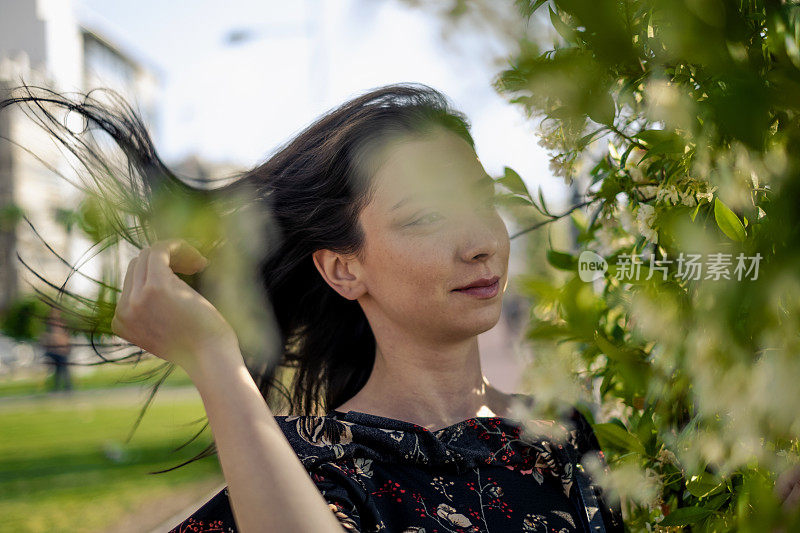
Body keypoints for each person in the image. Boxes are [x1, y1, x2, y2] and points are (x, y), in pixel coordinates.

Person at [1, 83, 624, 532]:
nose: (481, 243)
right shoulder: (305, 478)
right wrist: (216, 363)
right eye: (426, 217)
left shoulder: (563, 434)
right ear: (343, 268)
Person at [40, 307, 73, 392]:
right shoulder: (49, 326)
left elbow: (66, 337)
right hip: (53, 352)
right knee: (58, 370)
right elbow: (46, 339)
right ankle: (57, 387)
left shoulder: (61, 324)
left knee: (64, 369)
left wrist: (66, 347)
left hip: (62, 352)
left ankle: (67, 387)